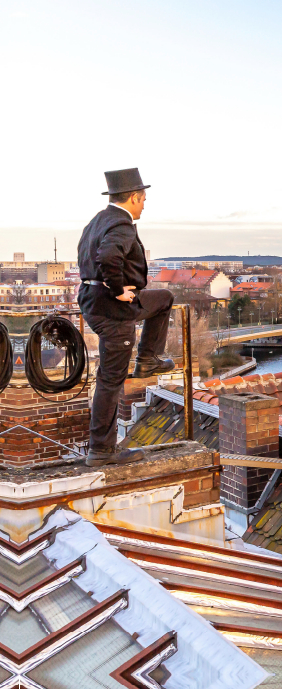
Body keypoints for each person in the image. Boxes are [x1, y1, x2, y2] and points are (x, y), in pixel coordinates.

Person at [78, 168, 176, 467]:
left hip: (94, 301)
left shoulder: (98, 220)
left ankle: (148, 358)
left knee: (163, 298)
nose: (144, 205)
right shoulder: (122, 224)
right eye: (143, 199)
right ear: (133, 197)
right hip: (112, 308)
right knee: (110, 381)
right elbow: (108, 256)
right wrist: (118, 287)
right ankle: (102, 450)